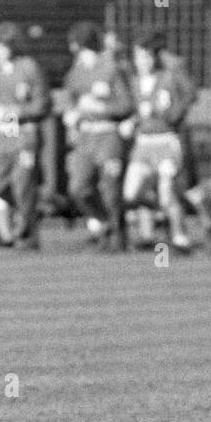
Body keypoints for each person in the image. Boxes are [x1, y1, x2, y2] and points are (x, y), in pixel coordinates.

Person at [59, 21, 134, 252]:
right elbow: (69, 100)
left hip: (108, 135)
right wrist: (71, 114)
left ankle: (117, 239)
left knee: (111, 188)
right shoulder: (76, 72)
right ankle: (105, 223)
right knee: (78, 188)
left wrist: (102, 107)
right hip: (85, 137)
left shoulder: (111, 68)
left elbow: (126, 104)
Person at [121, 30, 194, 254]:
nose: (142, 62)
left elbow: (188, 97)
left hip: (166, 142)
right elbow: (134, 111)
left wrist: (170, 115)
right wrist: (131, 122)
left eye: (147, 56)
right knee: (131, 194)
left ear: (155, 57)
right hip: (143, 144)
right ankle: (160, 214)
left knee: (167, 189)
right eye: (138, 57)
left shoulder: (168, 78)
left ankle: (180, 238)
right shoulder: (132, 83)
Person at [0, 21, 51, 250]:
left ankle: (28, 234)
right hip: (4, 132)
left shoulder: (28, 67)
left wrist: (16, 111)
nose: (0, 51)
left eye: (4, 46)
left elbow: (43, 104)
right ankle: (27, 215)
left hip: (25, 132)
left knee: (23, 185)